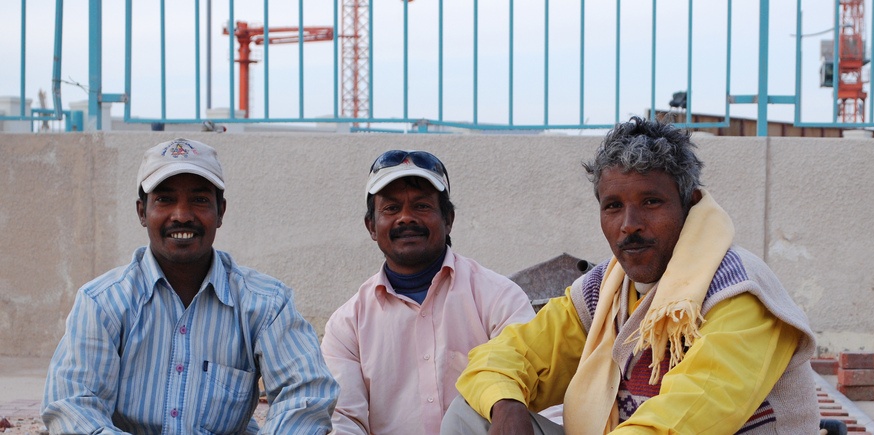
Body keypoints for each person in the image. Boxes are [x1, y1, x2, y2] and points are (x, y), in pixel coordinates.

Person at [443, 117, 819, 434]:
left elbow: (681, 421)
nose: (629, 226)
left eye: (651, 202)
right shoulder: (604, 291)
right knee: (470, 415)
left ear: (689, 206)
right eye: (613, 206)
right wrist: (506, 404)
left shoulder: (739, 291)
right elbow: (503, 358)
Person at [41, 138, 339, 434]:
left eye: (199, 200)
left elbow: (306, 395)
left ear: (220, 212)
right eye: (164, 199)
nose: (182, 215)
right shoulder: (101, 303)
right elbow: (72, 407)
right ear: (142, 212)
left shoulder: (267, 304)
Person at [320, 150, 537, 435]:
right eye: (391, 208)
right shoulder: (347, 325)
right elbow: (343, 420)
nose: (405, 218)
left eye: (421, 206)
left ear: (448, 219)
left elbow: (537, 399)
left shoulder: (499, 298)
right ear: (371, 226)